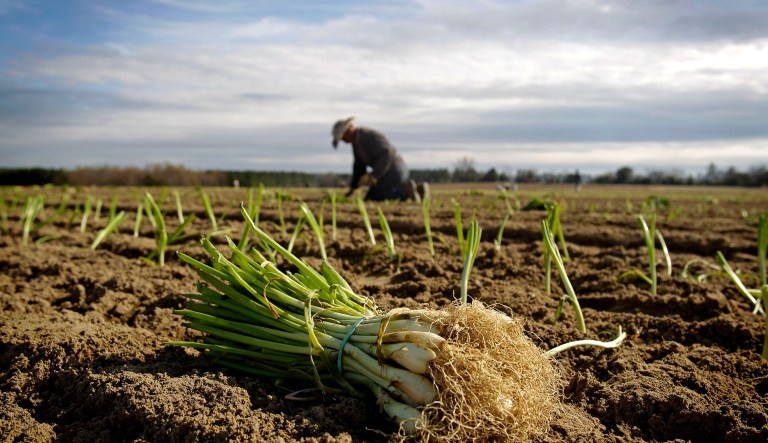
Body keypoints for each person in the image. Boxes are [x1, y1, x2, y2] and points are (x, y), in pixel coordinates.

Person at [332, 117, 421, 201]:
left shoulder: (366, 135)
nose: (343, 141)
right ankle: (417, 189)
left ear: (349, 130)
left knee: (376, 197)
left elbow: (387, 152)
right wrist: (353, 187)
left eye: (343, 137)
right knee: (370, 197)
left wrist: (374, 175)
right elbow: (359, 166)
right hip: (387, 172)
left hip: (395, 169)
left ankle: (405, 192)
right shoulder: (356, 143)